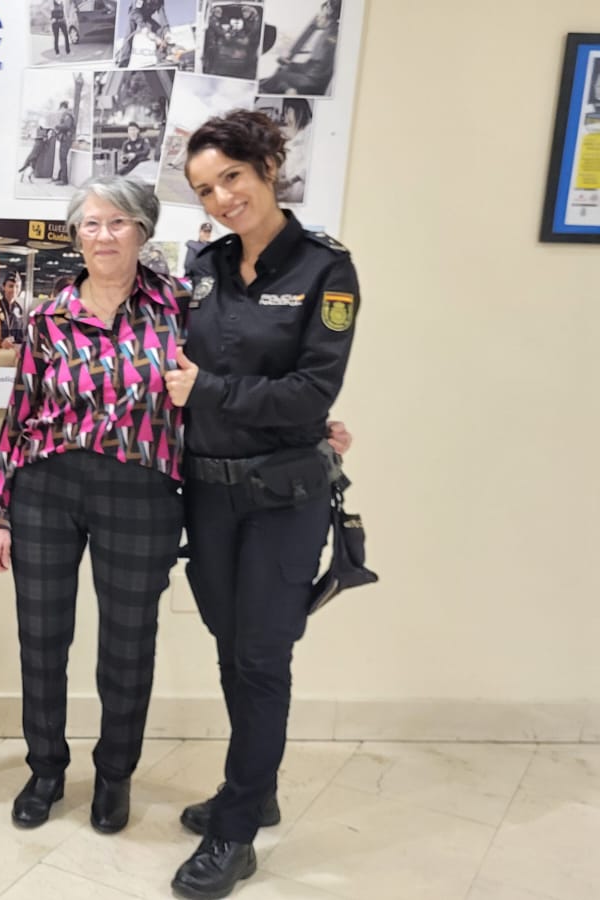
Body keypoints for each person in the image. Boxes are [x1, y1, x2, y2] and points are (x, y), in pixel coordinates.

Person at [164, 108, 360, 899]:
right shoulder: (204, 267)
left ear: (267, 168)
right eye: (206, 189)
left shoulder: (325, 269)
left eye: (231, 179)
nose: (220, 199)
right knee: (227, 645)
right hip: (210, 495)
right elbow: (169, 363)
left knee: (260, 656)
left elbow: (314, 387)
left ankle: (236, 828)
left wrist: (213, 390)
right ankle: (258, 783)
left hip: (284, 497)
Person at [0, 175, 186, 833]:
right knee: (43, 638)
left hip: (141, 491)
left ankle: (114, 775)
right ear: (76, 233)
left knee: (127, 645)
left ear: (143, 231)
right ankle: (45, 769)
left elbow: (210, 400)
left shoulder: (179, 308)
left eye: (119, 222)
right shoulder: (47, 315)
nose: (104, 236)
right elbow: (19, 416)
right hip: (47, 488)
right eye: (92, 223)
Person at [259, 0, 339, 95]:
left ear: (328, 16)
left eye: (321, 15)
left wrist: (292, 65)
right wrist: (290, 62)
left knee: (280, 77)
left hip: (313, 80)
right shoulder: (332, 29)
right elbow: (314, 64)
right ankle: (263, 85)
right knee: (283, 70)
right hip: (313, 74)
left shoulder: (328, 37)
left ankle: (262, 88)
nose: (317, 18)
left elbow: (316, 66)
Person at [277, 98, 312, 203]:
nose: (286, 118)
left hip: (300, 188)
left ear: (296, 111)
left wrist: (289, 181)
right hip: (292, 189)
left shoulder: (310, 131)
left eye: (288, 112)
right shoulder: (298, 132)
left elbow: (310, 166)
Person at [53, 102, 77, 185]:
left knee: (63, 158)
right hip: (66, 139)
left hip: (66, 139)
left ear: (63, 107)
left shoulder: (67, 115)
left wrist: (57, 126)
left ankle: (64, 180)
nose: (60, 111)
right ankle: (60, 177)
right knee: (62, 158)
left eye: (61, 108)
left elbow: (67, 126)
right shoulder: (69, 114)